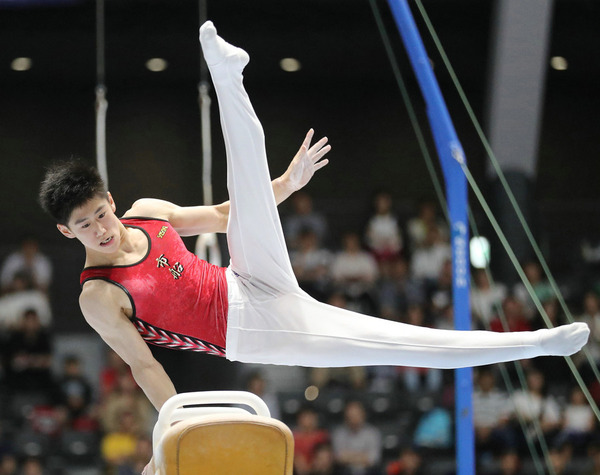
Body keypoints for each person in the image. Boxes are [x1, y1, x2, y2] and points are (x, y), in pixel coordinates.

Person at [37, 20, 588, 464]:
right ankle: (537, 343)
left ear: (113, 198)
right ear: (68, 232)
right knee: (399, 340)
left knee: (245, 182)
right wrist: (182, 419)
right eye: (87, 226)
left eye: (103, 212)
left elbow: (233, 213)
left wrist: (288, 184)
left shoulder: (148, 214)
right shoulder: (99, 295)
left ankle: (228, 76)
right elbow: (144, 366)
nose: (104, 229)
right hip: (251, 329)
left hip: (247, 277)